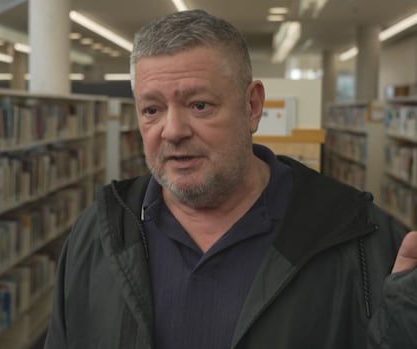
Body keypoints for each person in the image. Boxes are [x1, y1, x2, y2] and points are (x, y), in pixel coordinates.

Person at [44, 9, 417, 349]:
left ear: (252, 106)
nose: (172, 131)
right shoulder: (97, 235)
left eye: (199, 105)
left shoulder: (361, 240)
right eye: (152, 109)